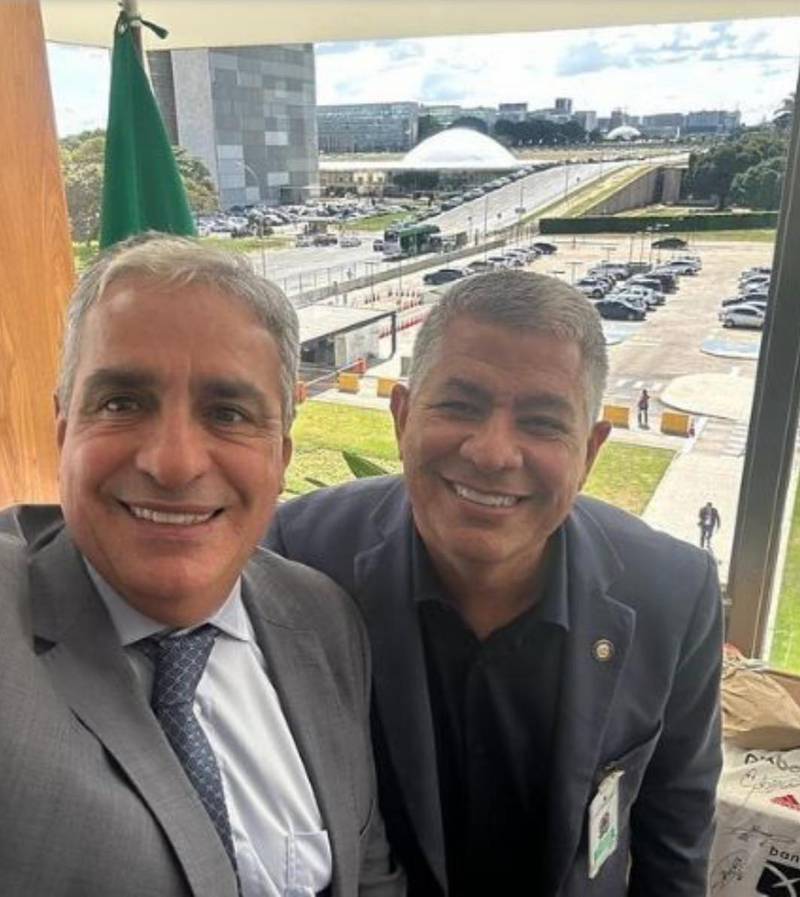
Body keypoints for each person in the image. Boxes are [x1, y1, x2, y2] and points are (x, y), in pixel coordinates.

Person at [267, 270, 723, 897]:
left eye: (542, 422)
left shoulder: (673, 593)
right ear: (402, 417)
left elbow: (676, 839)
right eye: (460, 406)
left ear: (590, 453)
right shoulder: (299, 556)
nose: (492, 453)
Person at [0, 234, 403, 897]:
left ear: (280, 456)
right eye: (122, 402)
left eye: (227, 413)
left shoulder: (324, 620)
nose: (174, 463)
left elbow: (369, 874)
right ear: (64, 429)